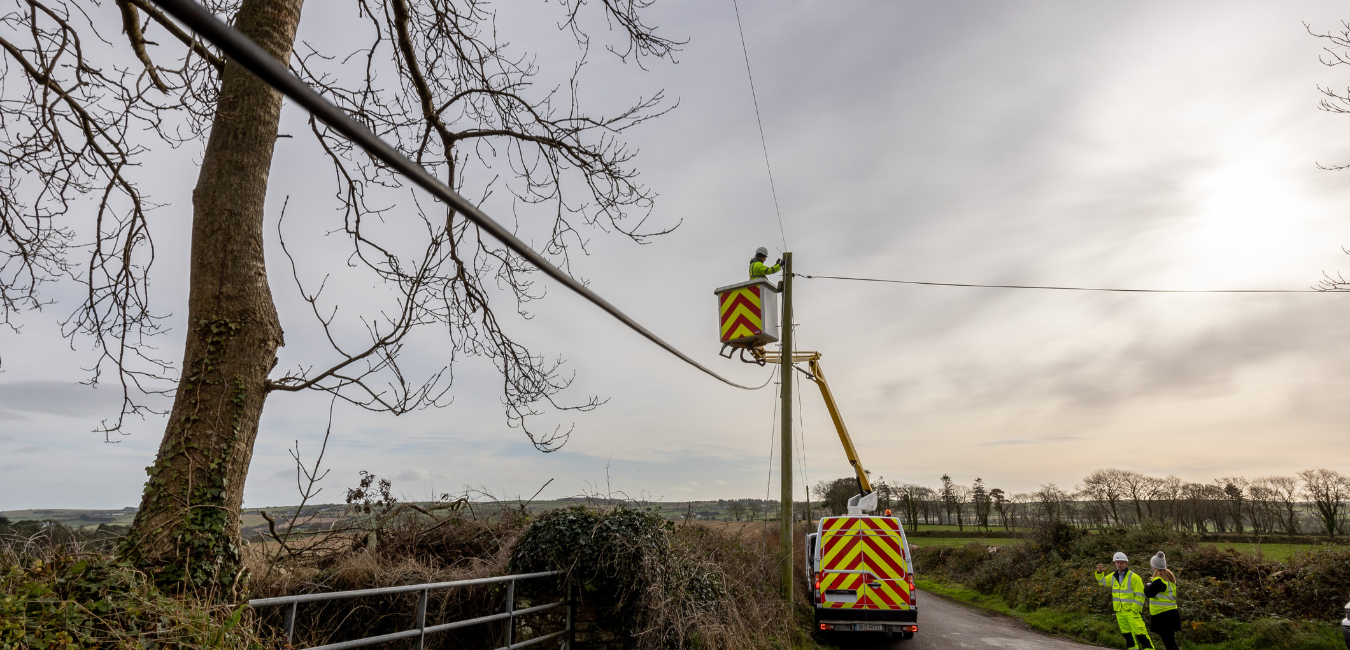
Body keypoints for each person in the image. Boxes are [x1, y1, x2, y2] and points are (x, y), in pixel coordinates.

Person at [1095, 552, 1155, 649]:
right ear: (1114, 563)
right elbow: (1102, 582)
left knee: (1141, 634)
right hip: (1119, 611)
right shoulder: (1113, 576)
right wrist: (1099, 573)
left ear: (1126, 563)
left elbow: (1140, 595)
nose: (1119, 564)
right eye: (1117, 562)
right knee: (1127, 635)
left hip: (1132, 611)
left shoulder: (1134, 577)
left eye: (1122, 562)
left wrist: (1134, 609)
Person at [1144, 552, 1180, 650]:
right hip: (1172, 613)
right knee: (1171, 642)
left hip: (1163, 615)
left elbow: (1148, 593)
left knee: (1168, 642)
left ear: (1154, 566)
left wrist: (1147, 586)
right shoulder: (1169, 579)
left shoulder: (1158, 580)